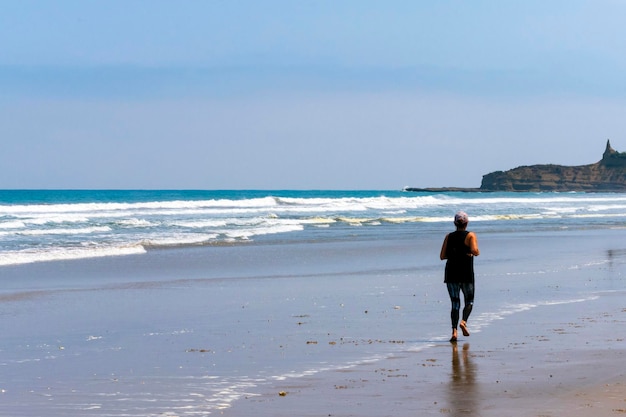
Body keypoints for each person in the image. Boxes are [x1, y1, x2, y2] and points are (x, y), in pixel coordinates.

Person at [440, 211, 480, 342]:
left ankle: (454, 331)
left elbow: (442, 256)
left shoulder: (449, 236)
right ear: (467, 223)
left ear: (454, 223)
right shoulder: (470, 235)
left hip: (451, 273)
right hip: (466, 273)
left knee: (455, 303)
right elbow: (475, 251)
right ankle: (463, 322)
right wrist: (471, 251)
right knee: (469, 301)